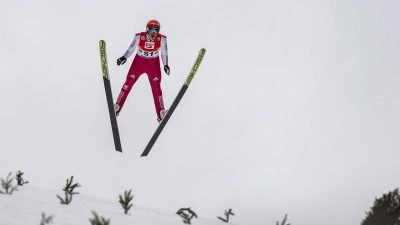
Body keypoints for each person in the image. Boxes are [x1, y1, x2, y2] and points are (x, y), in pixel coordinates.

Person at [114, 19, 170, 122]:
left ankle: (161, 112)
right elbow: (132, 47)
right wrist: (124, 57)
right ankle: (117, 106)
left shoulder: (162, 38)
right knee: (128, 83)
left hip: (153, 64)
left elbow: (164, 52)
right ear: (147, 29)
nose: (154, 33)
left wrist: (165, 65)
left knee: (156, 87)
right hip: (139, 62)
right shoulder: (140, 36)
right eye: (152, 30)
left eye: (156, 30)